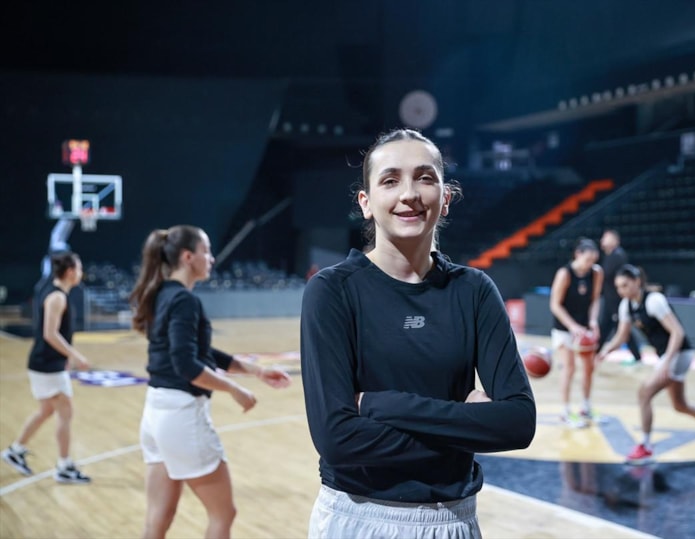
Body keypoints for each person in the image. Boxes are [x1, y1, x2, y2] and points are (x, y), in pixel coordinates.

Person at [301, 128, 536, 539]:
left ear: (445, 198)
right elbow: (337, 440)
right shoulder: (332, 290)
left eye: (425, 178)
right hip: (358, 517)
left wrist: (380, 404)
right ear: (366, 202)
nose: (409, 194)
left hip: (452, 520)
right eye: (390, 180)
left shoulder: (475, 291)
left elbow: (517, 423)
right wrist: (468, 426)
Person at [129, 225, 291, 539]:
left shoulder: (163, 294)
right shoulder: (184, 301)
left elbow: (202, 352)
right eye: (206, 250)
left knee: (157, 519)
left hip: (155, 413)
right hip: (182, 416)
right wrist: (235, 390)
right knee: (223, 514)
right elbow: (187, 365)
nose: (212, 258)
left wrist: (256, 371)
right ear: (188, 257)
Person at [596, 264, 695, 463]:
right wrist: (604, 351)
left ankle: (646, 446)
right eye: (618, 287)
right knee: (680, 405)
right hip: (667, 356)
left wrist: (667, 362)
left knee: (644, 393)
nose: (621, 290)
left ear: (637, 282)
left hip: (679, 353)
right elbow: (621, 336)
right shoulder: (626, 305)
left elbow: (677, 332)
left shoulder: (654, 300)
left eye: (625, 285)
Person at [1, 251, 92, 483]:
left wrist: (66, 357)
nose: (81, 272)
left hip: (46, 362)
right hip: (47, 364)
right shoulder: (57, 297)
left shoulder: (52, 291)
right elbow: (50, 334)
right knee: (65, 412)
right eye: (79, 268)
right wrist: (75, 355)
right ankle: (64, 466)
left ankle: (15, 450)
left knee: (46, 411)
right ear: (70, 272)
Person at [549, 238, 604, 428]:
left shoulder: (596, 272)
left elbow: (595, 299)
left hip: (584, 326)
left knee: (589, 367)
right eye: (588, 259)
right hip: (564, 328)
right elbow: (555, 305)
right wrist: (573, 327)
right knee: (569, 367)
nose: (591, 264)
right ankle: (565, 412)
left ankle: (586, 407)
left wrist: (593, 321)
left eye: (594, 260)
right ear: (577, 254)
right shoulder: (564, 273)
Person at [598, 229, 641, 363]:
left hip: (616, 300)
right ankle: (595, 352)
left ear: (615, 240)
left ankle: (637, 356)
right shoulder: (610, 255)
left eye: (606, 237)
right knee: (605, 327)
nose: (602, 240)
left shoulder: (617, 255)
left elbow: (606, 275)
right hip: (609, 299)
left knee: (622, 329)